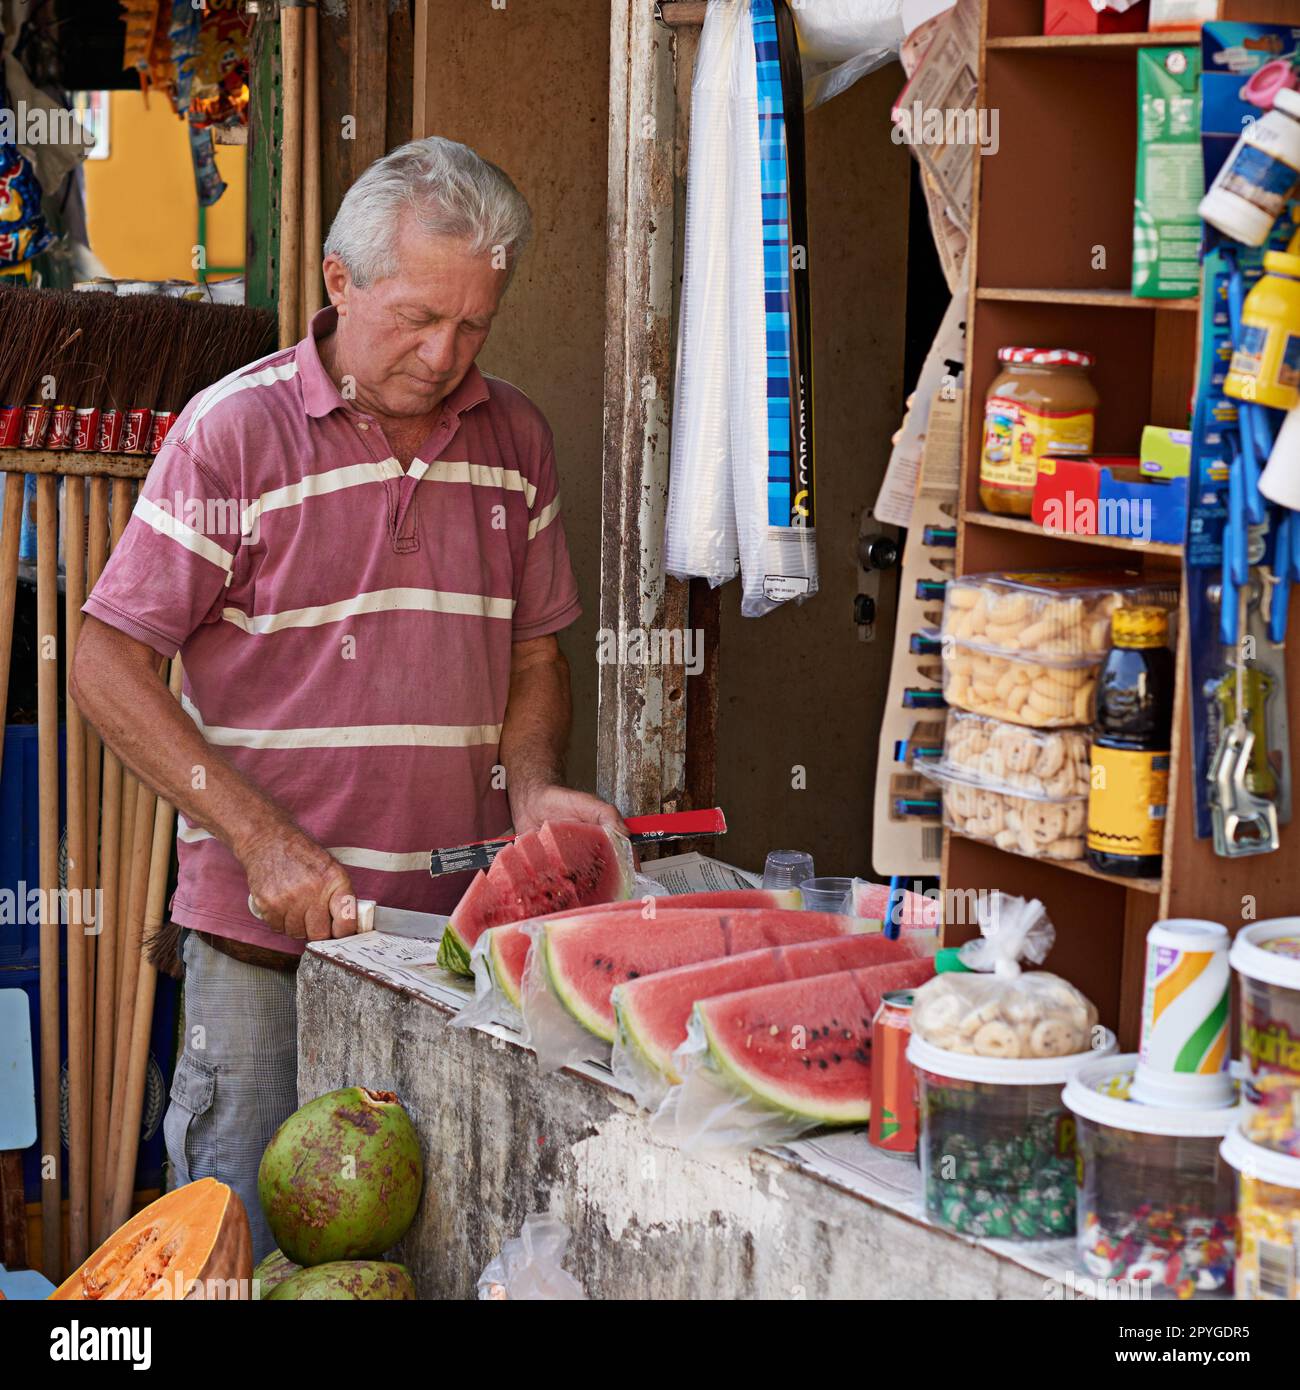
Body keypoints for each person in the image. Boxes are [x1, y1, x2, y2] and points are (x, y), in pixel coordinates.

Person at [72, 136, 621, 1258]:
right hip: (267, 950)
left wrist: (536, 788)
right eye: (418, 316)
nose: (444, 352)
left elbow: (532, 656)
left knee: (422, 1263)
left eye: (475, 323)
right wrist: (261, 841)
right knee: (233, 1249)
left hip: (451, 949)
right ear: (339, 280)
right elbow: (104, 659)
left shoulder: (515, 437)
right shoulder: (233, 432)